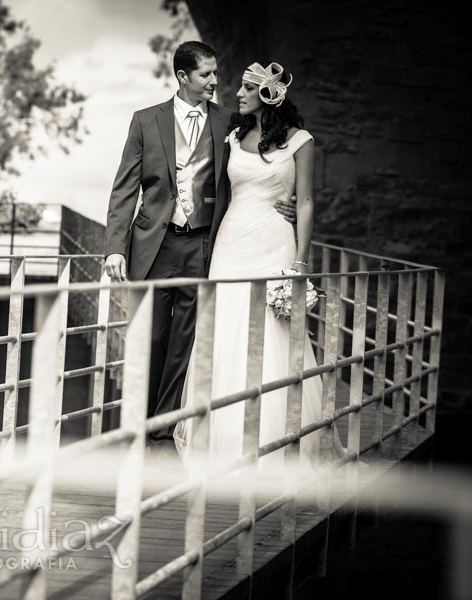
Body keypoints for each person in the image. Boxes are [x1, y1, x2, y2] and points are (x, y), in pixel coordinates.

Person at [103, 42, 295, 450]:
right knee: (150, 337)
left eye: (215, 73)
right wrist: (114, 248)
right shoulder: (145, 121)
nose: (215, 81)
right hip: (153, 244)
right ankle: (136, 419)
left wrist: (288, 198)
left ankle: (161, 426)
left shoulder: (228, 122)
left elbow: (267, 153)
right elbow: (124, 189)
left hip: (203, 244)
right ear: (183, 77)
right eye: (206, 74)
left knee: (184, 342)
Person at [174, 61, 343, 471]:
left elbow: (304, 201)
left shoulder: (301, 140)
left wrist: (300, 261)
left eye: (247, 88)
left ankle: (272, 443)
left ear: (269, 94)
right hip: (231, 245)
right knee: (223, 331)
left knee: (273, 335)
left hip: (273, 244)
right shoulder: (233, 136)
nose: (237, 93)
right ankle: (222, 441)